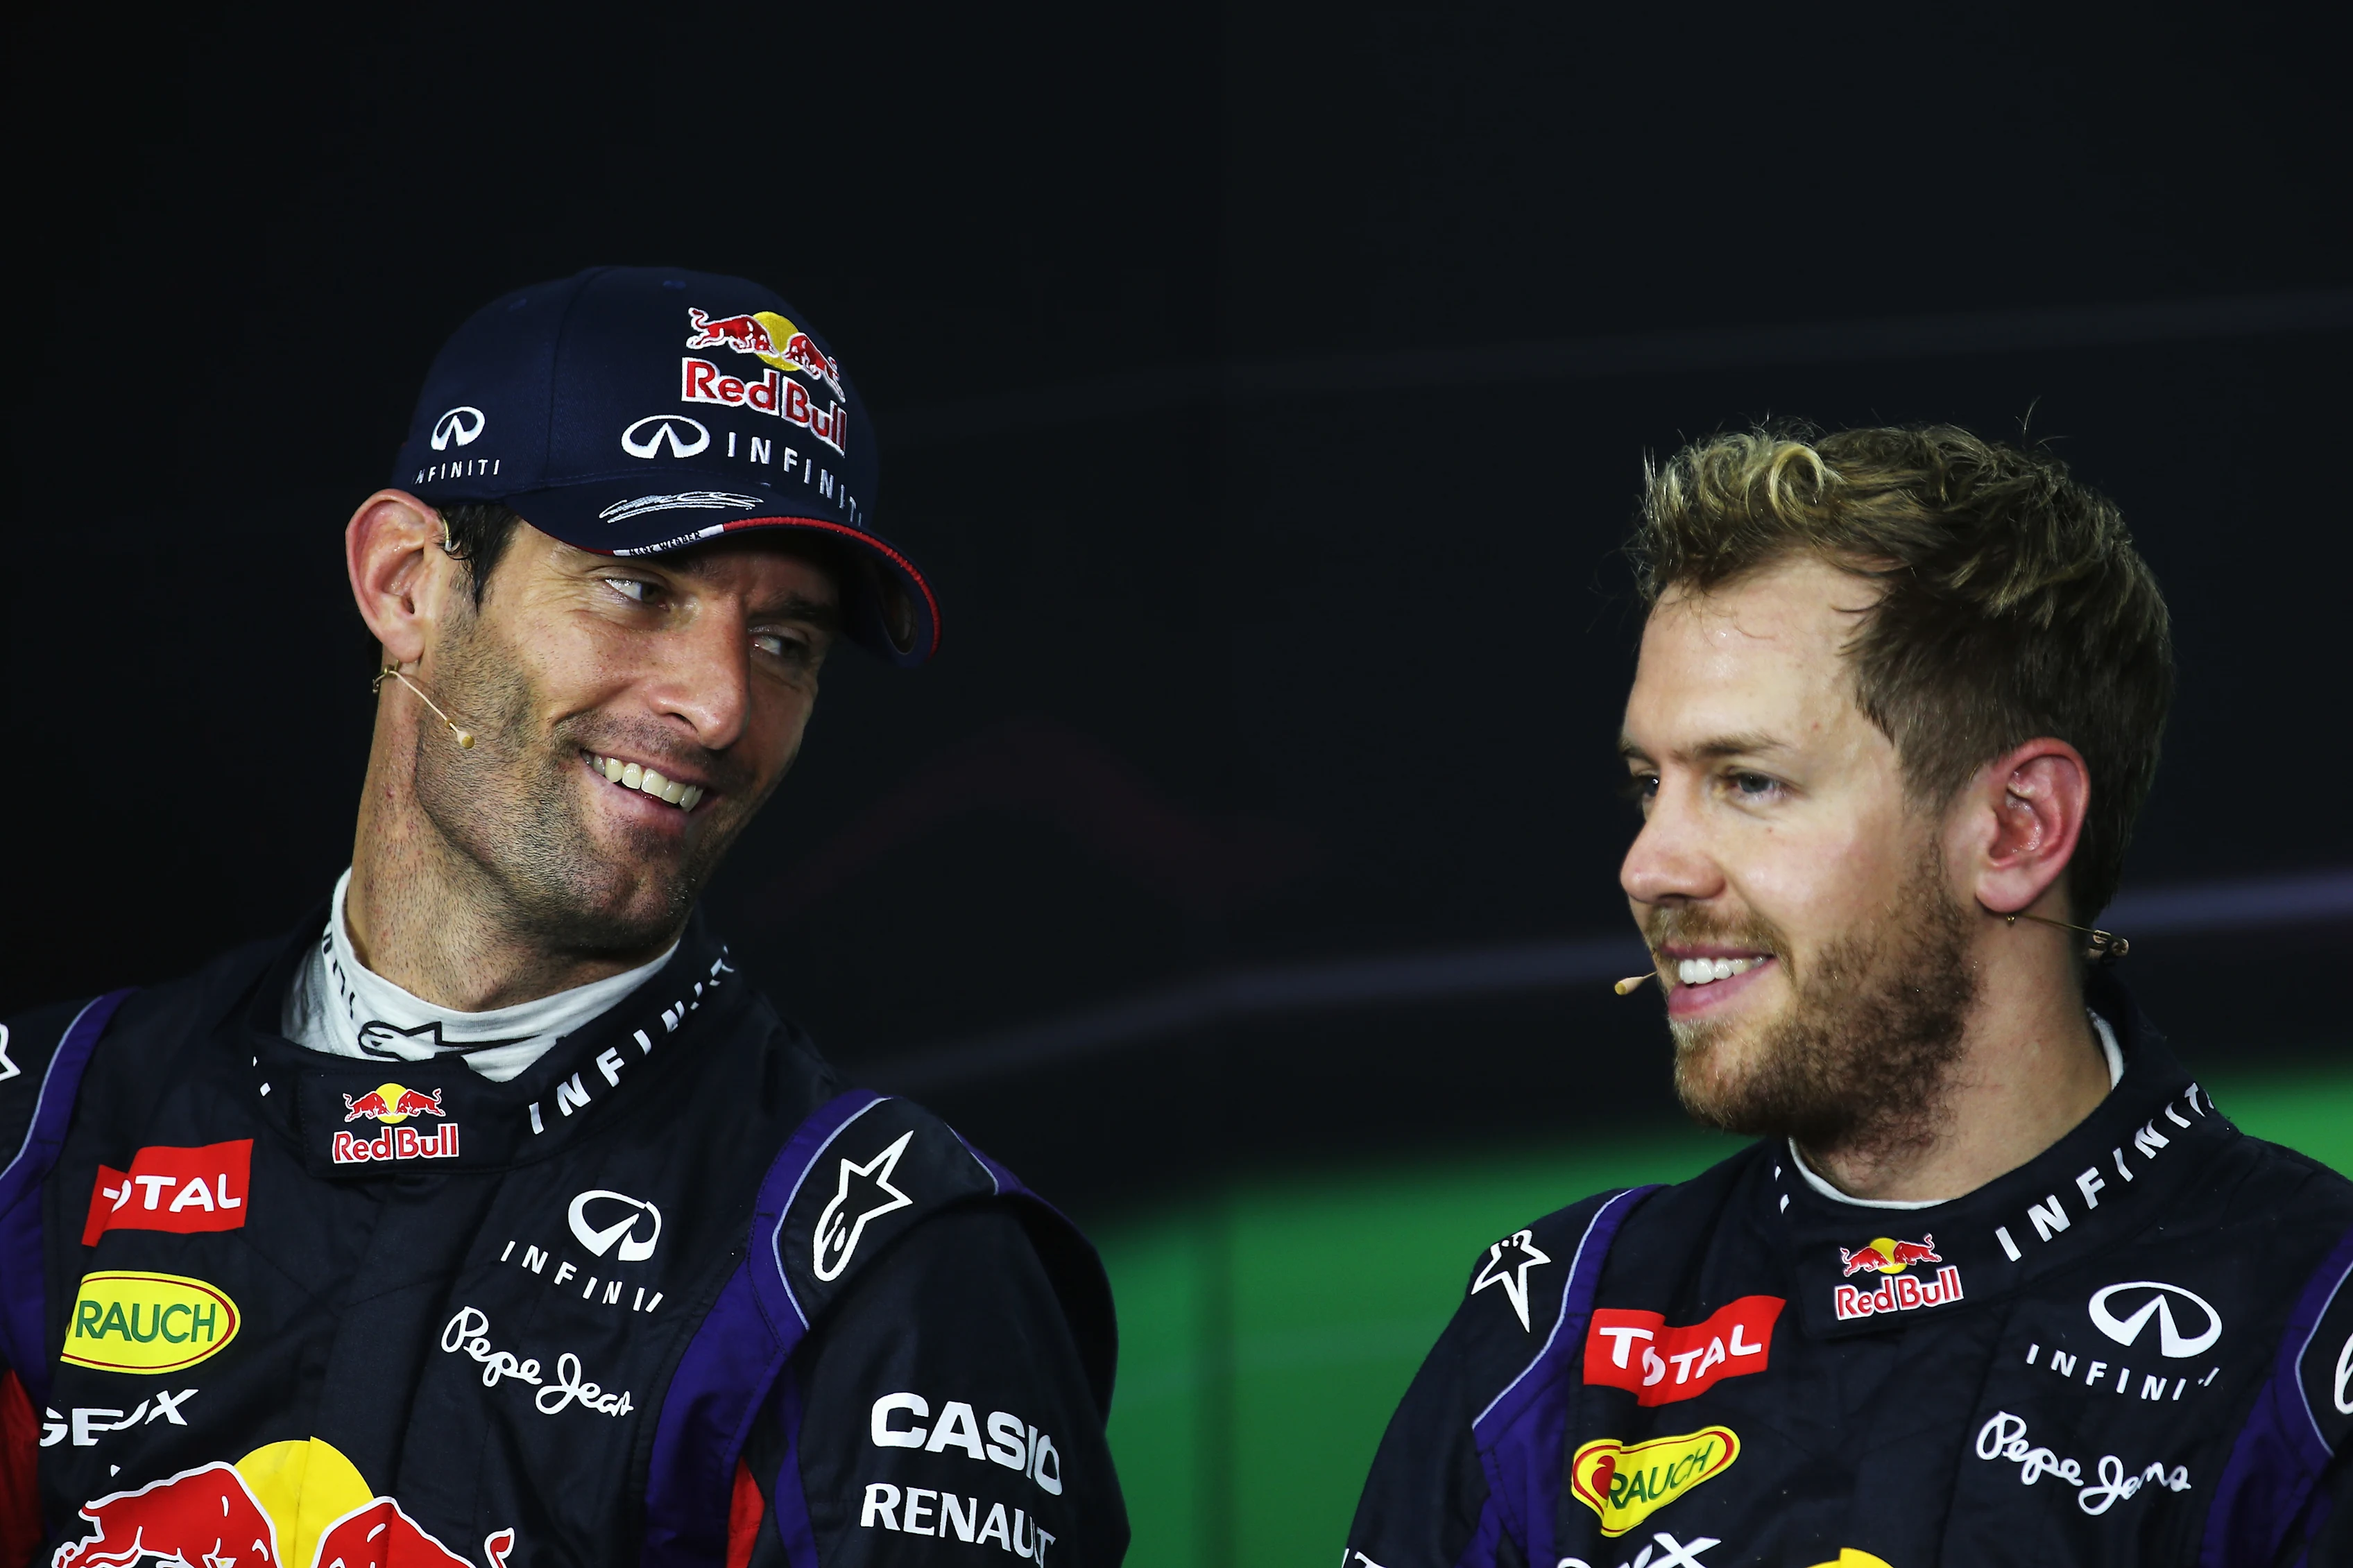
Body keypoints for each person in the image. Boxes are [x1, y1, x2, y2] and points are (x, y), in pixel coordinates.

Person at [0, 267, 1126, 1568]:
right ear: (408, 582)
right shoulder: (40, 1132)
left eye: (786, 646)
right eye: (641, 586)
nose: (717, 706)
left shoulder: (889, 1269)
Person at [1345, 427, 2352, 1565]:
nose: (1649, 868)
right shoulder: (1554, 1327)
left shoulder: (2317, 1343)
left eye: (1749, 782)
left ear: (2017, 828)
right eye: (1647, 787)